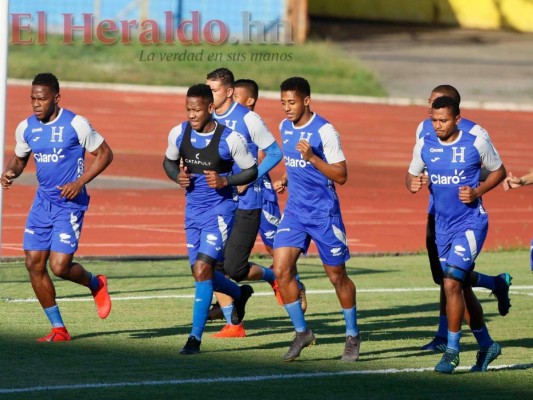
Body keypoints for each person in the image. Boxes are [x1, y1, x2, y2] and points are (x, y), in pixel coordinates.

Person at [0, 72, 113, 342]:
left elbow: (106, 154)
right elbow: (19, 160)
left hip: (70, 204)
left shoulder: (76, 124)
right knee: (33, 263)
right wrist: (9, 172)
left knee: (60, 267)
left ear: (56, 98)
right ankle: (59, 329)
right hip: (42, 203)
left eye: (42, 98)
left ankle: (96, 283)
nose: (36, 104)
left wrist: (80, 182)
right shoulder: (26, 127)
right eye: (33, 99)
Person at [407, 95, 506, 373]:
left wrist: (477, 191)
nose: (437, 125)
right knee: (459, 286)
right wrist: (412, 182)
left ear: (457, 119)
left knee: (451, 282)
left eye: (443, 120)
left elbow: (499, 171)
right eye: (434, 120)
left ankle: (451, 350)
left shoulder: (475, 141)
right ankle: (486, 344)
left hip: (471, 223)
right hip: (442, 227)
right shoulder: (425, 144)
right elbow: (410, 174)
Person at [205, 68, 305, 339]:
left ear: (228, 92)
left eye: (213, 90)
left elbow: (274, 153)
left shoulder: (248, 119)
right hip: (219, 201)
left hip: (251, 200)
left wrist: (251, 176)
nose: (208, 95)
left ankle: (280, 280)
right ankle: (233, 324)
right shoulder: (207, 117)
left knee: (242, 265)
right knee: (209, 262)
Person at [163, 83, 257, 355]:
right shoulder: (178, 133)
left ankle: (194, 339)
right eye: (188, 109)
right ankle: (239, 295)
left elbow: (251, 171)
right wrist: (175, 176)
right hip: (193, 211)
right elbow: (168, 162)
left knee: (204, 270)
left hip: (221, 210)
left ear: (210, 108)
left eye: (196, 109)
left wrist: (226, 179)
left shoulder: (230, 139)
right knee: (200, 273)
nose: (191, 115)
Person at [272, 76, 360, 362]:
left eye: (292, 102)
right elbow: (293, 162)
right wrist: (286, 177)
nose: (286, 108)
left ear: (306, 100)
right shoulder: (285, 127)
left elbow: (342, 176)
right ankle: (302, 332)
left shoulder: (325, 131)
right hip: (296, 211)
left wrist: (312, 158)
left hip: (324, 214)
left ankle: (352, 335)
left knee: (337, 276)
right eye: (283, 102)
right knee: (281, 269)